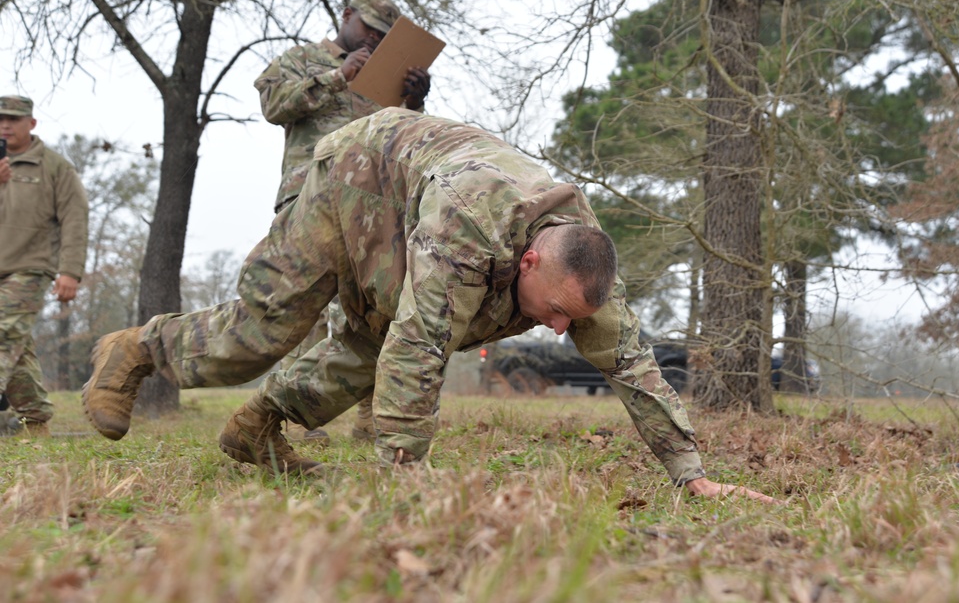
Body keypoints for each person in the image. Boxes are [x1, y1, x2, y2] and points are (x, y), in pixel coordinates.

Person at [82, 108, 773, 502]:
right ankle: (137, 348)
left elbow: (633, 365)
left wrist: (692, 477)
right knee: (268, 330)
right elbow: (418, 348)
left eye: (572, 319)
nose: (562, 332)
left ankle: (258, 426)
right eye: (556, 312)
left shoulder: (582, 266)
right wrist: (405, 479)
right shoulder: (472, 227)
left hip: (417, 198)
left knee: (378, 335)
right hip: (355, 176)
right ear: (529, 260)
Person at [255, 0, 432, 442]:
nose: (374, 41)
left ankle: (374, 416)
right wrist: (337, 77)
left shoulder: (386, 75)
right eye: (369, 30)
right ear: (347, 15)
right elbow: (273, 106)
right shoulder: (303, 58)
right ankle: (289, 418)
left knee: (380, 306)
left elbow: (404, 137)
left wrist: (415, 101)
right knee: (302, 306)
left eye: (383, 36)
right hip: (307, 196)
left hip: (371, 206)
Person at [0, 95, 89, 436]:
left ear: (31, 123)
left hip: (28, 269)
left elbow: (75, 219)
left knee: (3, 334)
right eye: (1, 118)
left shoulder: (55, 167)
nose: (5, 125)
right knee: (15, 347)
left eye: (14, 119)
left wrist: (70, 271)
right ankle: (36, 421)